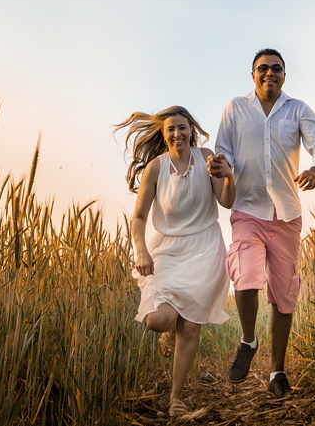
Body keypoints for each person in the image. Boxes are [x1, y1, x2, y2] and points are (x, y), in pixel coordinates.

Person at [208, 49, 315, 400]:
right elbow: (224, 151)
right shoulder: (235, 108)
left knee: (284, 295)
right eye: (262, 68)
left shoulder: (297, 109)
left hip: (286, 215)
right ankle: (248, 340)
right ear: (252, 75)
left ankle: (277, 372)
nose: (270, 73)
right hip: (247, 209)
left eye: (277, 68)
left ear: (284, 75)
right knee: (246, 277)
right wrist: (223, 167)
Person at [117, 105, 236, 418]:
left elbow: (226, 202)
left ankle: (176, 397)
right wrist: (141, 250)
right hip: (168, 250)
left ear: (191, 129)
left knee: (191, 327)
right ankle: (168, 333)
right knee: (160, 320)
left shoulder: (206, 157)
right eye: (170, 128)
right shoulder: (156, 168)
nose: (177, 133)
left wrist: (228, 176)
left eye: (182, 127)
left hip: (205, 249)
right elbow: (139, 217)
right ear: (163, 133)